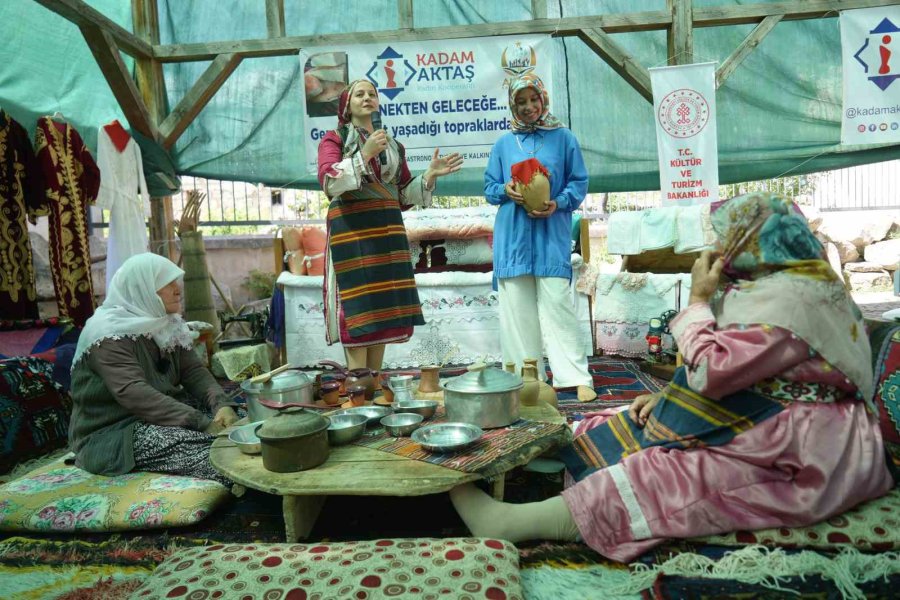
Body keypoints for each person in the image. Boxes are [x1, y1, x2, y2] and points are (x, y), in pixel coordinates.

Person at [450, 193, 895, 562]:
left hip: (810, 456)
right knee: (637, 416)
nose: (718, 249)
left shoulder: (791, 303)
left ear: (753, 241)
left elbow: (711, 372)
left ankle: (513, 524)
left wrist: (699, 300)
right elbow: (742, 368)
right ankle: (553, 477)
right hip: (783, 420)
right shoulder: (799, 285)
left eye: (726, 238)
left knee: (674, 471)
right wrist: (667, 400)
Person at [317, 79, 463, 372]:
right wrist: (365, 153)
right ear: (347, 104)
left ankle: (374, 380)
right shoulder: (334, 140)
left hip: (386, 233)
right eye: (359, 94)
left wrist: (429, 177)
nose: (367, 98)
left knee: (381, 307)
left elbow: (402, 194)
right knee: (357, 307)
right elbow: (330, 181)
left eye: (372, 94)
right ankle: (359, 384)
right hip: (353, 234)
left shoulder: (393, 146)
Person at [69, 253, 239, 486]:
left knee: (247, 427)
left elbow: (192, 371)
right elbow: (134, 393)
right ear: (142, 289)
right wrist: (201, 423)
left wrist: (222, 405)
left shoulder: (165, 322)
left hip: (162, 418)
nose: (177, 289)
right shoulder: (107, 334)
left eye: (175, 282)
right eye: (166, 284)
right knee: (222, 456)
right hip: (116, 433)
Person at [484, 74, 596, 402]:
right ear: (512, 105)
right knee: (517, 311)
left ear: (543, 99)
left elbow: (579, 182)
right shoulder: (504, 144)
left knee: (558, 306)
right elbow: (490, 187)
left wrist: (557, 203)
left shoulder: (564, 138)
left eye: (533, 100)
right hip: (513, 238)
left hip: (551, 234)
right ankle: (524, 379)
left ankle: (574, 377)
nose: (529, 107)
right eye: (521, 102)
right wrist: (504, 190)